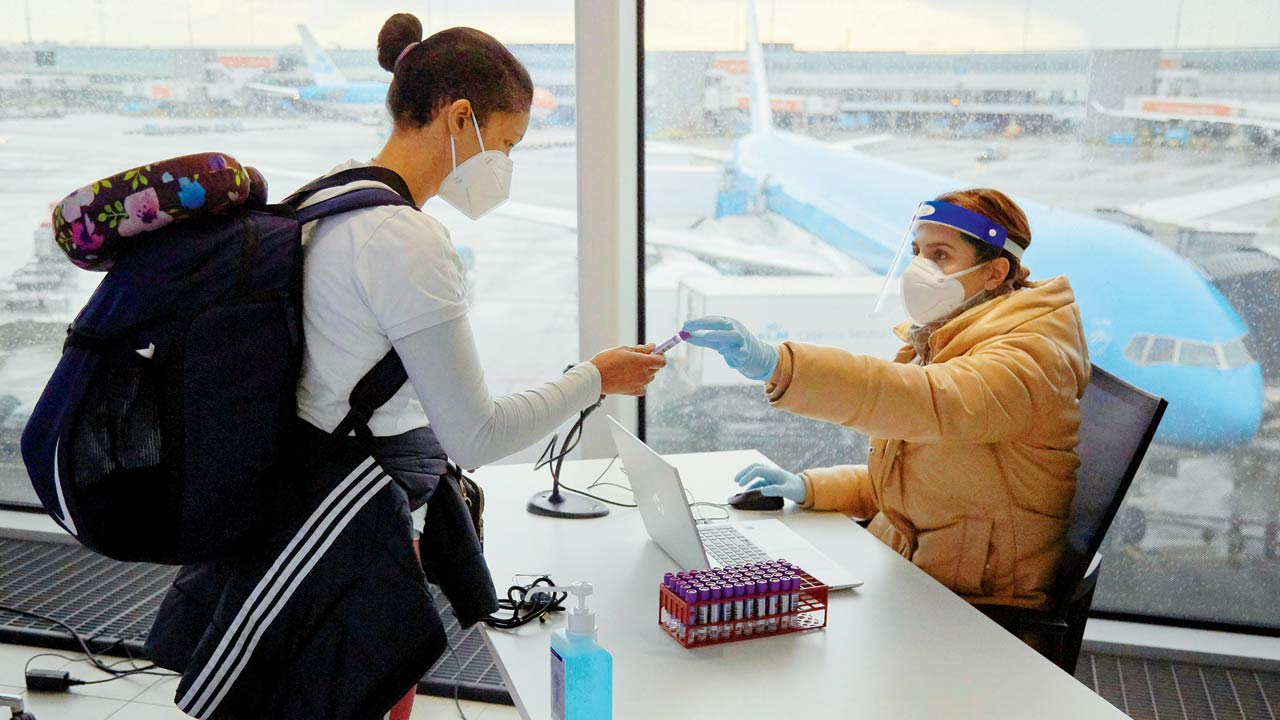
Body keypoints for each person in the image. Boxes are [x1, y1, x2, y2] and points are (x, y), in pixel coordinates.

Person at [145, 15, 664, 719]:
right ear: (459, 118)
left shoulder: (331, 198)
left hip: (294, 504)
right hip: (347, 528)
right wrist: (594, 378)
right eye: (506, 143)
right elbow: (474, 436)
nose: (504, 166)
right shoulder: (405, 239)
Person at [683, 188, 1090, 613]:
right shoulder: (945, 335)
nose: (919, 268)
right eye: (917, 251)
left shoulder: (1031, 357)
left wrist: (782, 366)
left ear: (994, 272)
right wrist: (809, 487)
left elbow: (925, 401)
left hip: (977, 609)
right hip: (907, 574)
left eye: (941, 255)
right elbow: (914, 485)